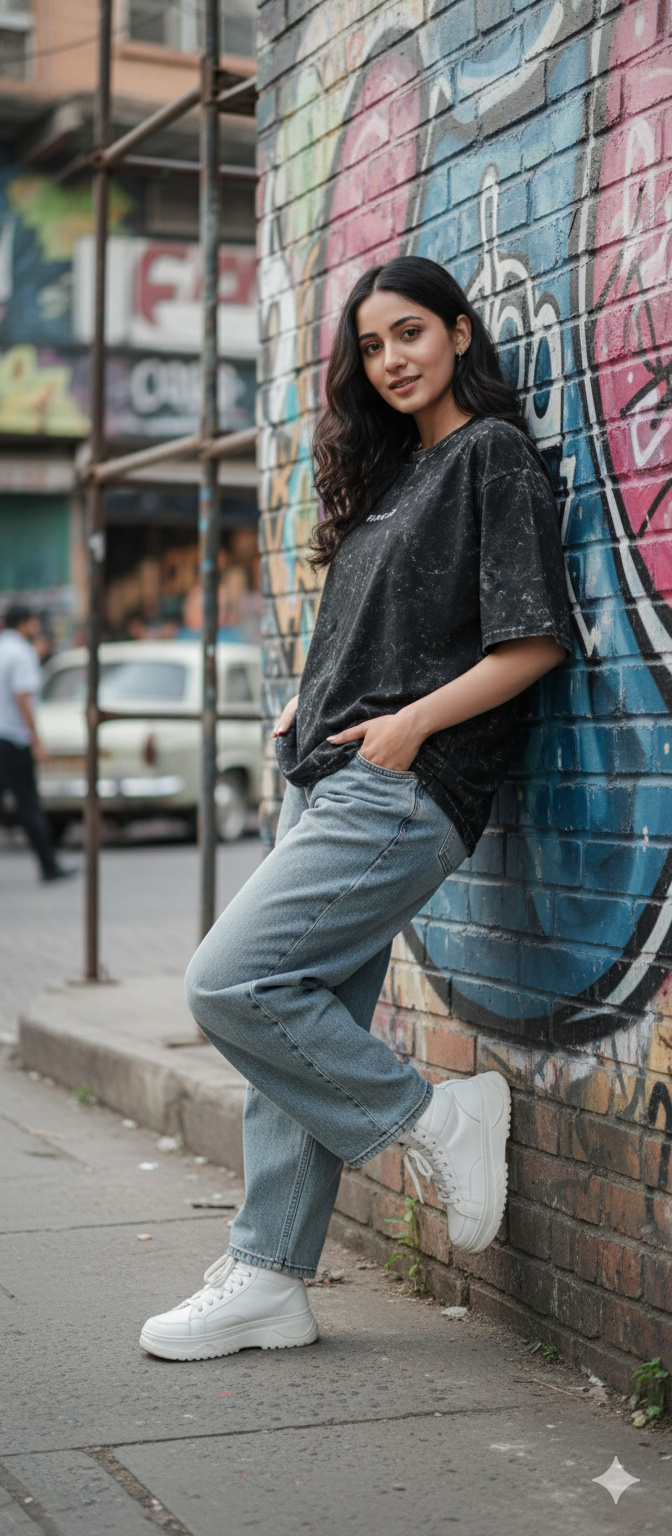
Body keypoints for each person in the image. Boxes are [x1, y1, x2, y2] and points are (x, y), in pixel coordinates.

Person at [140, 256, 571, 1362]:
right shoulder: (394, 477)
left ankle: (436, 1120)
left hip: (402, 788)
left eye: (410, 333)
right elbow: (389, 633)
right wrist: (312, 698)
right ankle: (269, 1276)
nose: (390, 361)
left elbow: (531, 643)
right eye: (371, 346)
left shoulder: (490, 457)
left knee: (230, 983)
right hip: (334, 776)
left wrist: (408, 728)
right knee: (298, 1014)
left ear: (461, 333)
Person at [0, 605, 75, 883]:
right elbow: (22, 697)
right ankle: (49, 865)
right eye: (33, 622)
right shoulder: (21, 653)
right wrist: (35, 739)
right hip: (13, 738)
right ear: (24, 623)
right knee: (30, 804)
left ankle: (49, 864)